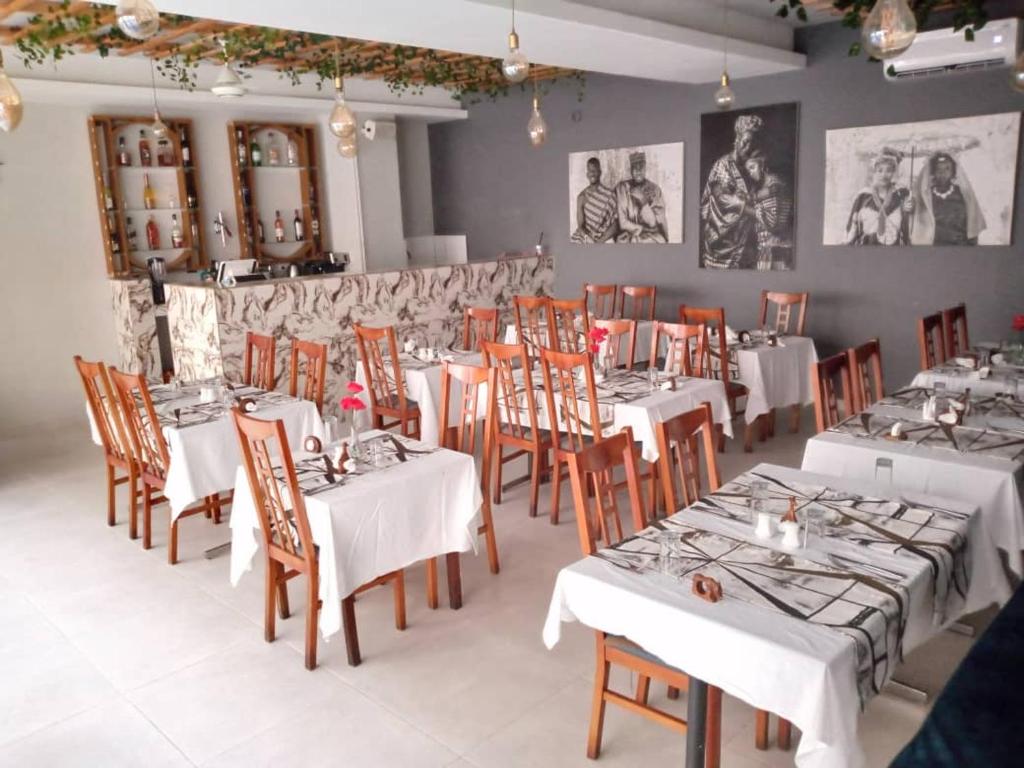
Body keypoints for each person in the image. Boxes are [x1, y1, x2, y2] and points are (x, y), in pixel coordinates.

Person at [700, 114, 763, 268]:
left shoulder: (753, 168)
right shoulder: (722, 166)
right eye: (746, 142)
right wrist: (755, 213)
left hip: (745, 246)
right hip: (721, 247)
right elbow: (724, 200)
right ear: (737, 139)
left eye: (752, 144)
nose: (748, 148)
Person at [910, 152, 986, 246]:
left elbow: (972, 227)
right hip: (932, 248)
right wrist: (908, 210)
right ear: (933, 172)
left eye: (947, 168)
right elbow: (915, 224)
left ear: (953, 172)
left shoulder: (962, 194)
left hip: (959, 248)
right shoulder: (925, 196)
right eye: (938, 169)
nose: (942, 173)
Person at [845, 147, 914, 246]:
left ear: (894, 172)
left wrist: (910, 209)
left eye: (889, 170)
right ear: (874, 171)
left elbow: (908, 227)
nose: (884, 175)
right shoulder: (863, 196)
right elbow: (852, 228)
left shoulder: (900, 195)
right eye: (880, 170)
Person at [743, 150, 793, 270]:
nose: (750, 173)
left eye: (752, 167)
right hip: (769, 248)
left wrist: (743, 208)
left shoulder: (775, 185)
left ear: (763, 165)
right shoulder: (765, 188)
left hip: (775, 249)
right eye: (748, 170)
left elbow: (773, 224)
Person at [614, 151, 669, 243]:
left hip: (651, 237)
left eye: (641, 167)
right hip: (628, 235)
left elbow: (653, 223)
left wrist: (643, 200)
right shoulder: (622, 188)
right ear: (631, 170)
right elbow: (622, 223)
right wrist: (640, 229)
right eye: (635, 167)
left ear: (645, 168)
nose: (638, 171)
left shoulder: (655, 189)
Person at [571, 157, 618, 243]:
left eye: (595, 170)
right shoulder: (581, 197)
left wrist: (599, 242)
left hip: (603, 238)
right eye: (590, 170)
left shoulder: (610, 195)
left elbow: (615, 225)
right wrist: (587, 239)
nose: (592, 173)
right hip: (585, 238)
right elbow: (580, 226)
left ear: (600, 173)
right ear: (587, 174)